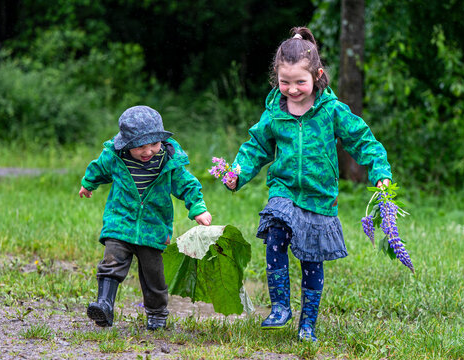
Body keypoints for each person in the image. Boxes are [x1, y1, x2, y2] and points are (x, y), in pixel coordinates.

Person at [224, 27, 392, 342]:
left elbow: (362, 140)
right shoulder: (275, 112)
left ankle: (307, 325)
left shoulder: (331, 111)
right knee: (275, 235)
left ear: (318, 75)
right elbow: (256, 147)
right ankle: (280, 307)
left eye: (300, 82)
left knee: (311, 259)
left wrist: (380, 170)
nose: (293, 89)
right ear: (276, 77)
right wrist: (237, 173)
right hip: (284, 191)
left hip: (318, 197)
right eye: (284, 82)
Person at [79, 105, 212, 330]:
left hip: (154, 227)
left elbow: (186, 184)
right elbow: (99, 168)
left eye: (154, 144)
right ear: (127, 144)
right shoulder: (115, 156)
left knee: (154, 276)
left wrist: (197, 207)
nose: (148, 151)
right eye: (140, 146)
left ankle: (157, 314)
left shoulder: (169, 162)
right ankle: (104, 305)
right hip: (120, 221)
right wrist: (88, 183)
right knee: (112, 262)